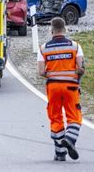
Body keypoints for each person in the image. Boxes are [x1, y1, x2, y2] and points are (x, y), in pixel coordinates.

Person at [38, 17, 85, 161]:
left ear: (51, 30)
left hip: (53, 87)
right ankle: (70, 139)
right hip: (71, 87)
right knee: (74, 116)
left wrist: (52, 73)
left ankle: (60, 153)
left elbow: (40, 71)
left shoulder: (44, 48)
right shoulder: (75, 46)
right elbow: (81, 68)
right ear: (65, 29)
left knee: (55, 117)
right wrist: (75, 72)